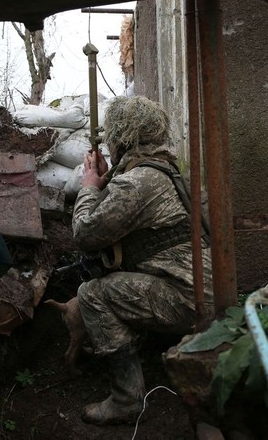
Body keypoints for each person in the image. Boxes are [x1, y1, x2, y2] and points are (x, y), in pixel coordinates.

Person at [71, 95, 213, 425]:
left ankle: (126, 399)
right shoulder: (168, 172)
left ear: (120, 138)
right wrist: (109, 180)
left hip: (185, 300)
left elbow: (85, 233)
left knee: (91, 294)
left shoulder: (136, 183)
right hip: (207, 295)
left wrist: (90, 186)